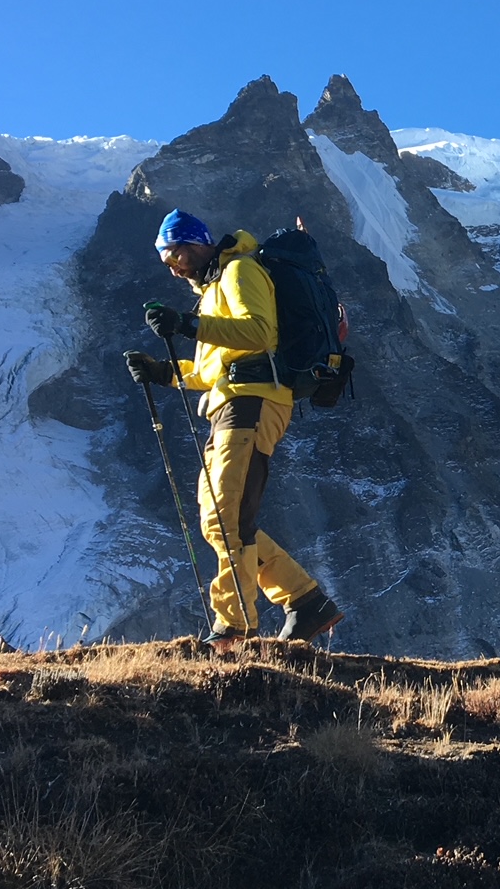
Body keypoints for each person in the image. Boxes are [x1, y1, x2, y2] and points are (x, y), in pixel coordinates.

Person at [124, 209, 342, 654]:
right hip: (232, 402)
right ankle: (305, 601)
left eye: (177, 253)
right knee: (218, 519)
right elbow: (213, 369)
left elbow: (259, 333)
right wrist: (164, 371)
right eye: (167, 259)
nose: (174, 266)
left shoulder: (240, 270)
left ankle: (234, 626)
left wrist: (188, 324)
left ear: (198, 243)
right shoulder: (212, 289)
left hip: (253, 402)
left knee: (227, 516)